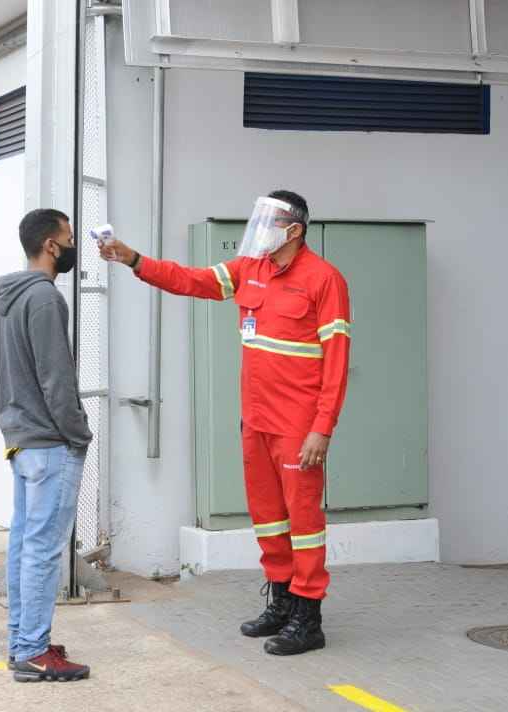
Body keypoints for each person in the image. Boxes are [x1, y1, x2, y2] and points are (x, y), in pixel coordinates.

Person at [100, 190, 351, 656]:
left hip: (299, 426)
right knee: (269, 517)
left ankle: (308, 616)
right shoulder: (248, 270)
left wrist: (322, 427)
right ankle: (280, 601)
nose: (259, 227)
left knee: (305, 521)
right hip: (255, 420)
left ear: (294, 230)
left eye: (271, 220)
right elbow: (189, 280)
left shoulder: (324, 279)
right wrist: (133, 259)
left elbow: (336, 361)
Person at [0, 209, 93, 682]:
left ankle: (23, 642)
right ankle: (34, 651)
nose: (73, 245)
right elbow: (57, 380)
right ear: (51, 246)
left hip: (22, 439)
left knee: (24, 544)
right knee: (42, 548)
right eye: (69, 238)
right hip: (50, 442)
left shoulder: (13, 298)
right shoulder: (45, 299)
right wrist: (79, 435)